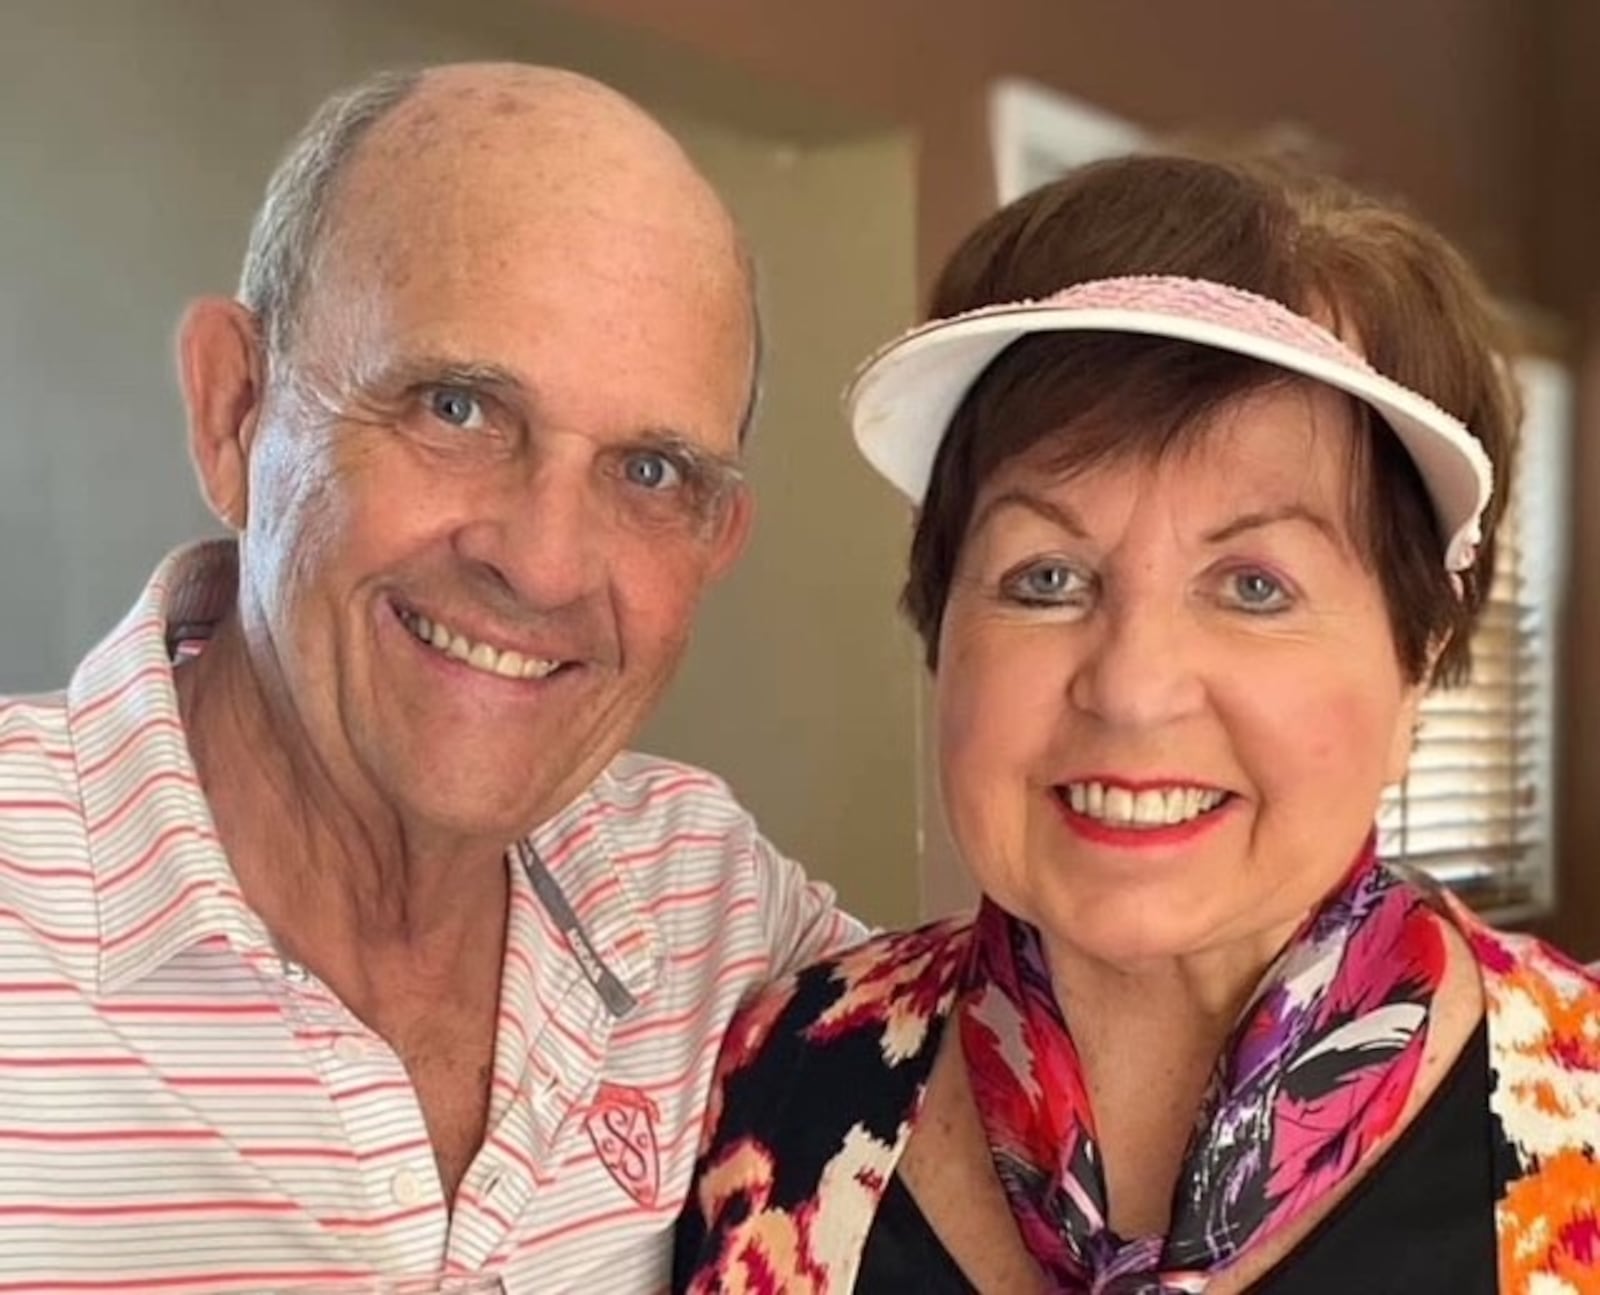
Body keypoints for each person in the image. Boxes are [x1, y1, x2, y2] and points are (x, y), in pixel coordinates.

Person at [0, 63, 862, 1289]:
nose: (545, 563)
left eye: (651, 471)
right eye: (455, 406)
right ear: (235, 411)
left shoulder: (710, 910)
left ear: (717, 542)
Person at [676, 152, 1600, 1294]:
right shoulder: (782, 1077)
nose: (1132, 685)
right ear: (940, 627)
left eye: (1254, 584)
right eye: (1047, 576)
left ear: (1416, 661)